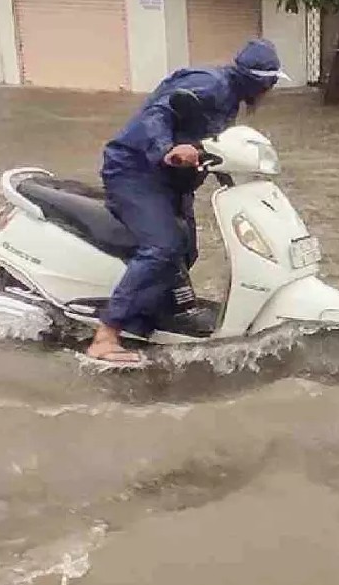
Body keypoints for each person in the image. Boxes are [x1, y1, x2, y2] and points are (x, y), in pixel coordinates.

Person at [86, 39, 289, 364]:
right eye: (271, 84)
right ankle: (106, 334)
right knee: (163, 247)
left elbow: (210, 142)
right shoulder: (209, 85)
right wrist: (167, 148)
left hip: (170, 178)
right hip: (135, 171)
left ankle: (147, 319)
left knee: (186, 251)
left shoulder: (230, 100)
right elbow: (157, 113)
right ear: (260, 82)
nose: (271, 92)